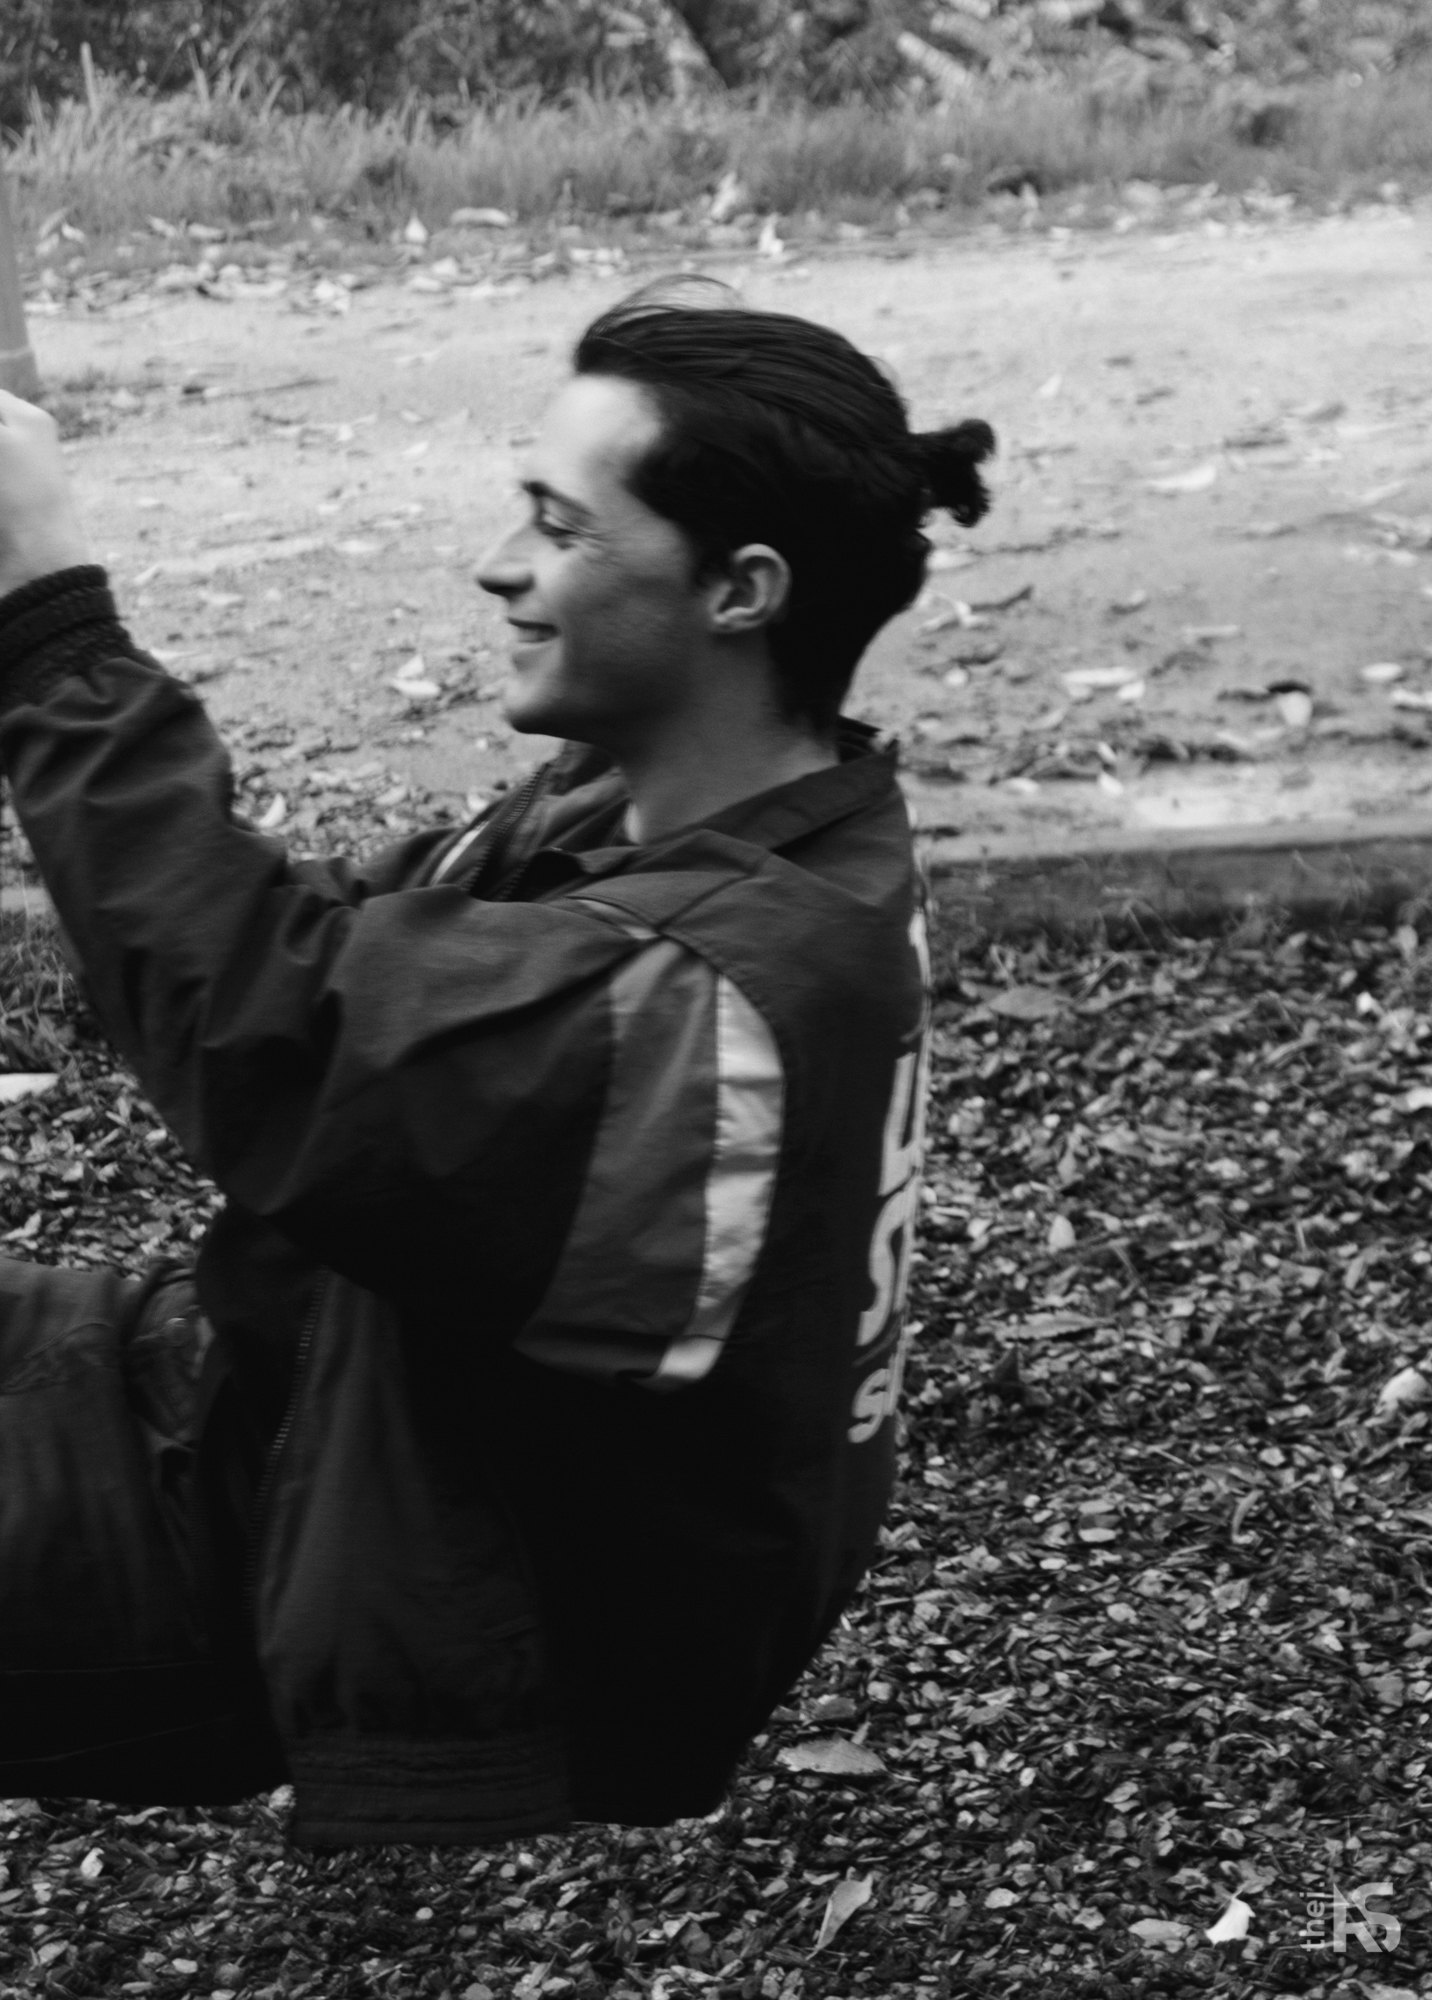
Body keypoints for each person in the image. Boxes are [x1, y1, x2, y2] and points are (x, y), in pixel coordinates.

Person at [0, 280, 993, 1846]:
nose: (501, 562)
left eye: (561, 525)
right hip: (272, 1377)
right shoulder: (709, 831)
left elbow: (274, 1029)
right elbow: (326, 947)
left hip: (303, 1538)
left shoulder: (713, 989)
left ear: (741, 591)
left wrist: (48, 620)